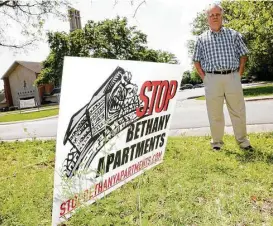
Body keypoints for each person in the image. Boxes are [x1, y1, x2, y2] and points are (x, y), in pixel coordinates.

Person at [192, 4, 252, 151]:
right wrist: (204, 77)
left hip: (232, 76)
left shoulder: (234, 34)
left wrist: (239, 72)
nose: (214, 17)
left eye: (217, 14)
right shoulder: (201, 39)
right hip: (212, 78)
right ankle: (217, 142)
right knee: (214, 113)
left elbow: (243, 54)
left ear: (221, 16)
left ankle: (243, 141)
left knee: (238, 110)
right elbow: (196, 60)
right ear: (207, 18)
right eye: (211, 15)